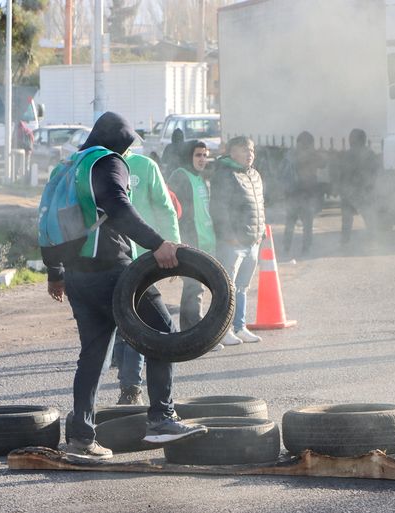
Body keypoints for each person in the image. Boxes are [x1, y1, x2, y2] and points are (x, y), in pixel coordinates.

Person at [43, 112, 207, 461]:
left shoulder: (71, 165)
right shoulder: (108, 162)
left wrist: (54, 271)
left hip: (78, 276)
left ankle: (81, 438)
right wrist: (158, 243)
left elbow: (50, 220)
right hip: (114, 272)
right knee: (163, 330)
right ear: (121, 140)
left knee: (93, 355)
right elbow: (119, 206)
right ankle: (162, 418)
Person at [111, 150, 181, 405]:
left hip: (144, 256)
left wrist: (174, 245)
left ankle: (130, 386)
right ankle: (129, 386)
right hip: (115, 257)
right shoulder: (101, 164)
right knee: (126, 322)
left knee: (137, 322)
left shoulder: (145, 165)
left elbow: (164, 206)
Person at [210, 137, 265, 345]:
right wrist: (228, 235)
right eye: (244, 150)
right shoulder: (225, 174)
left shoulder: (254, 174)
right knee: (227, 286)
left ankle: (239, 326)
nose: (249, 154)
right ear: (232, 152)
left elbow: (260, 204)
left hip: (252, 240)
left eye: (251, 150)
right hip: (233, 242)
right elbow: (219, 208)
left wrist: (261, 232)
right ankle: (223, 331)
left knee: (242, 286)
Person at [168, 140, 223, 351]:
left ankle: (191, 335)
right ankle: (196, 337)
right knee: (194, 288)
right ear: (188, 156)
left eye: (205, 155)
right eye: (198, 155)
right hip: (191, 241)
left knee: (198, 288)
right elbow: (172, 209)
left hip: (206, 240)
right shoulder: (180, 176)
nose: (203, 159)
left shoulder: (201, 178)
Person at [281, 131, 326, 256]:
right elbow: (324, 164)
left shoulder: (291, 154)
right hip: (306, 194)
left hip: (292, 194)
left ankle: (286, 247)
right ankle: (306, 249)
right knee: (307, 224)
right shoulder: (312, 155)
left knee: (290, 223)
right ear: (310, 143)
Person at [336, 128, 380, 244]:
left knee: (347, 221)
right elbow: (376, 173)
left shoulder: (347, 155)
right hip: (363, 192)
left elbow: (341, 174)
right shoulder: (370, 154)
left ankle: (345, 243)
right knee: (369, 219)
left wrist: (341, 190)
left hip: (350, 193)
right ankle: (373, 242)